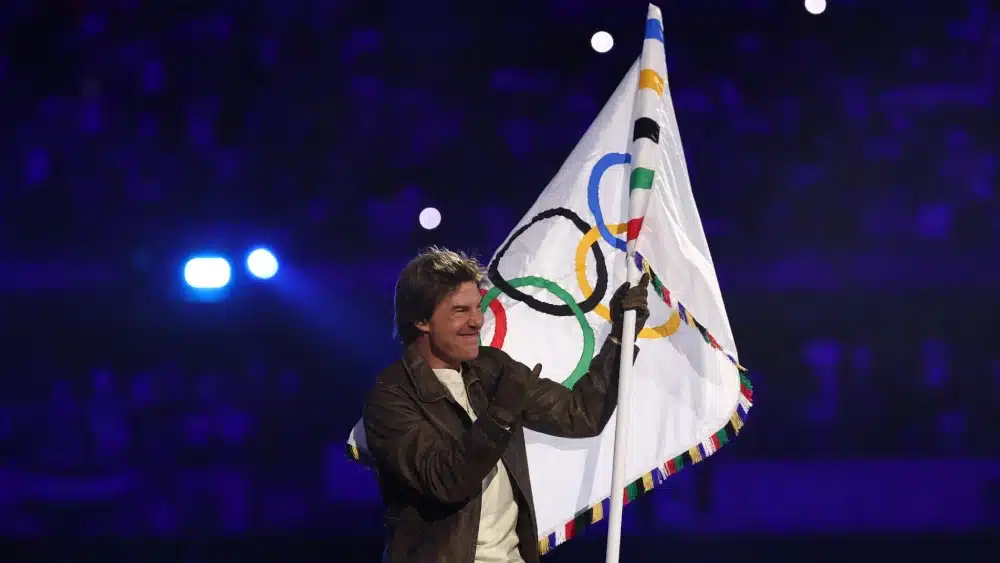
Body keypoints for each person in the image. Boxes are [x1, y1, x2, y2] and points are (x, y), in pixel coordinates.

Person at [363, 247, 650, 563]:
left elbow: (580, 415)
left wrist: (619, 339)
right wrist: (499, 415)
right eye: (460, 311)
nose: (477, 321)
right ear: (421, 320)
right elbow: (445, 480)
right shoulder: (391, 396)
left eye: (477, 307)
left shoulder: (492, 368)